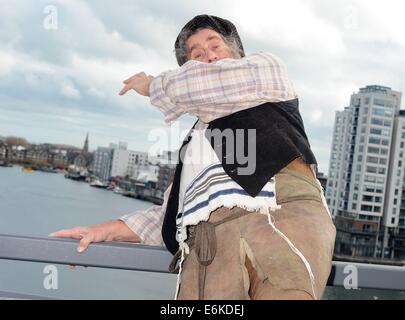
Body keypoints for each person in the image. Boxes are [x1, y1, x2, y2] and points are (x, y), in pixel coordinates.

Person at [51, 15, 336, 300]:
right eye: (197, 55)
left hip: (278, 223)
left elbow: (210, 82)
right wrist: (101, 231)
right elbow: (168, 216)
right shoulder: (195, 143)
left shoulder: (267, 72)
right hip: (209, 251)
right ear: (187, 69)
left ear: (237, 52)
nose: (209, 57)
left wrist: (152, 85)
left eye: (216, 46)